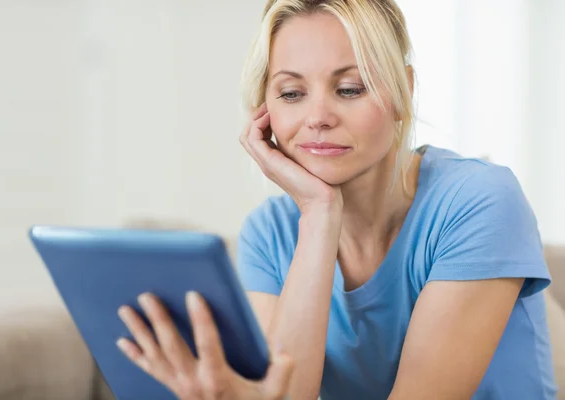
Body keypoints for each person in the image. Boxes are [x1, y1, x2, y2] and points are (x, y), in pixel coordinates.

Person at [115, 0, 558, 399]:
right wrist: (320, 212)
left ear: (403, 90)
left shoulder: (480, 201)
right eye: (291, 93)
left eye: (350, 89)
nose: (318, 119)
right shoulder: (269, 232)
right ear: (264, 110)